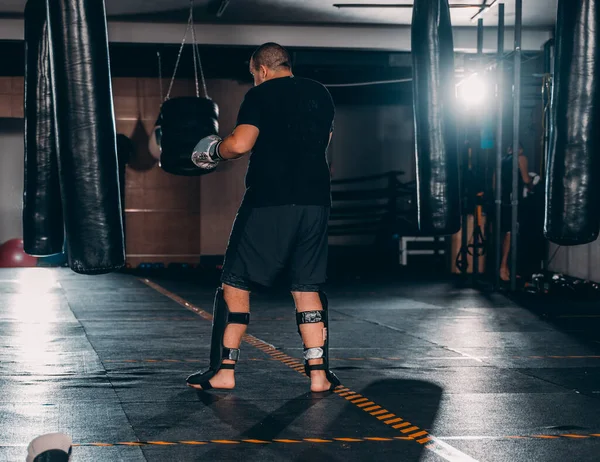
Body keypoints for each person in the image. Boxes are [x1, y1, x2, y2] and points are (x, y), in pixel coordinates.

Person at [186, 43, 339, 393]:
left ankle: (223, 371)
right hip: (315, 201)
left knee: (235, 282)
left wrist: (213, 150)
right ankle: (318, 375)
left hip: (270, 200)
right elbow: (324, 140)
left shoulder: (262, 93)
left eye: (254, 73)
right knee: (307, 286)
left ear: (262, 69)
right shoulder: (321, 94)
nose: (255, 78)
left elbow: (240, 144)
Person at [499, 143, 531, 282]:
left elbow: (495, 183)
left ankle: (505, 268)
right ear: (520, 149)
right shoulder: (521, 158)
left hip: (503, 200)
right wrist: (534, 182)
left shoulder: (501, 161)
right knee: (513, 233)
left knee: (507, 233)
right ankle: (504, 267)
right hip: (515, 200)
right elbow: (526, 179)